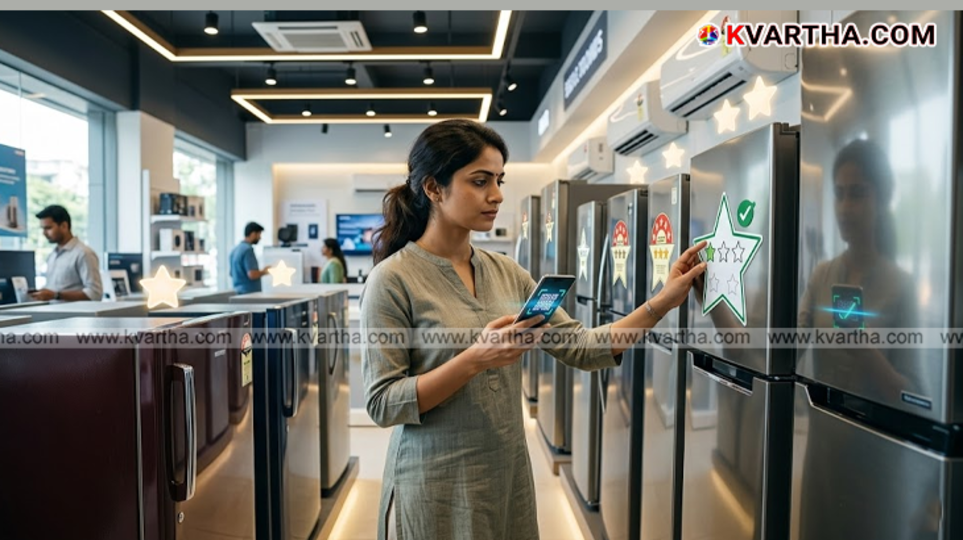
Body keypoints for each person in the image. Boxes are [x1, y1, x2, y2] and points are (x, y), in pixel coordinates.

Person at [361, 119, 706, 540]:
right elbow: (382, 402)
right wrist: (475, 359)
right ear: (434, 188)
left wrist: (661, 302)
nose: (497, 195)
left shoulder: (506, 272)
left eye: (499, 180)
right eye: (480, 181)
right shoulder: (393, 280)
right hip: (435, 485)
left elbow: (582, 347)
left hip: (506, 476)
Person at [30, 205, 102, 302]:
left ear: (64, 226)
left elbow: (95, 294)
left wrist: (56, 295)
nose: (44, 233)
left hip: (75, 315)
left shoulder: (84, 253)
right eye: (43, 229)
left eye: (48, 228)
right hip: (54, 312)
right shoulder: (53, 254)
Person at [229, 221, 271, 294]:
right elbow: (252, 274)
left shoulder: (235, 250)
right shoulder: (248, 250)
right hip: (250, 294)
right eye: (259, 234)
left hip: (238, 293)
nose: (260, 238)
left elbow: (231, 273)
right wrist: (265, 271)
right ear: (253, 234)